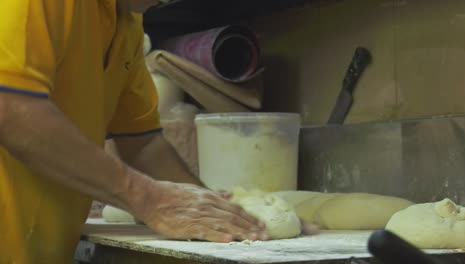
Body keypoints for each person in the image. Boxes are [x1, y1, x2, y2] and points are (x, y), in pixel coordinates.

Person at [0, 0, 267, 263]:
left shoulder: (126, 23)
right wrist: (147, 198)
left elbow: (143, 143)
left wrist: (214, 212)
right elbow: (10, 109)